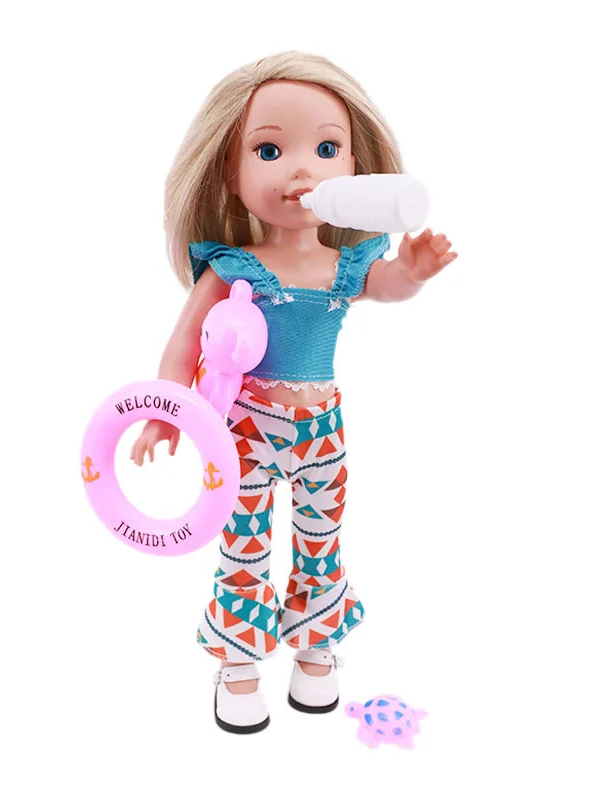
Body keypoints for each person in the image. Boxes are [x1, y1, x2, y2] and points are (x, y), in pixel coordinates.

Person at [131, 51, 457, 734]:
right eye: (270, 150)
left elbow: (388, 286)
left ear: (356, 168)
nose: (301, 171)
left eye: (327, 149)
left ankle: (317, 646)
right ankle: (239, 662)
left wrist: (413, 270)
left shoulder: (346, 264)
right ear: (231, 171)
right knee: (243, 543)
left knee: (320, 538)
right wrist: (166, 414)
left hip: (322, 432)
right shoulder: (233, 267)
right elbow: (184, 343)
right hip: (243, 432)